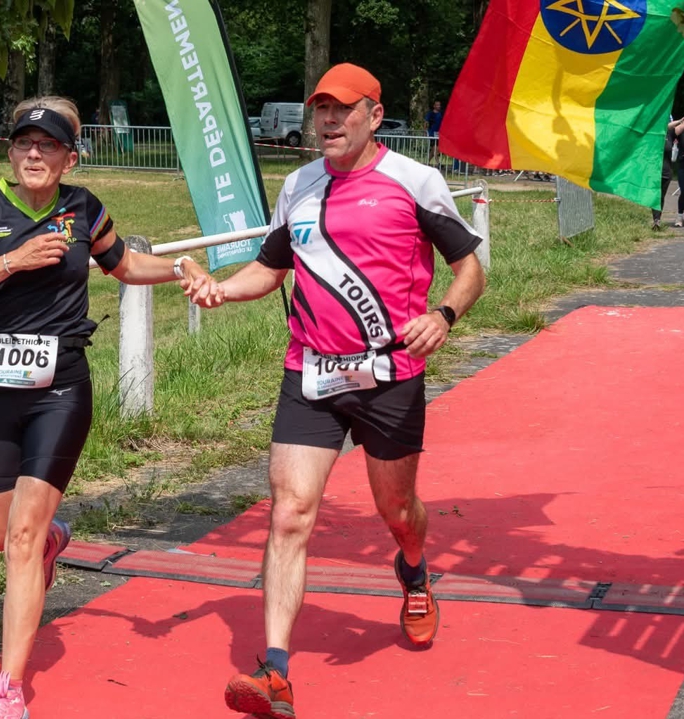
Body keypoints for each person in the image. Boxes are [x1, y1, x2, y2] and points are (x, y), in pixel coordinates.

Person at [192, 64, 486, 718]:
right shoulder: (298, 185)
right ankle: (275, 671)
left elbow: (470, 267)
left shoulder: (415, 181)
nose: (327, 120)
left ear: (374, 116)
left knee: (397, 510)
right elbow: (269, 270)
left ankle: (414, 568)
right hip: (312, 372)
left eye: (342, 109)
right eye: (320, 108)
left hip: (389, 376)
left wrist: (443, 315)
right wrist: (221, 290)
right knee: (289, 511)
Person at [0, 96, 216, 719]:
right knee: (1, 536)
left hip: (61, 385)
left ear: (69, 158)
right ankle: (53, 540)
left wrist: (179, 267)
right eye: (24, 143)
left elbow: (124, 263)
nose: (34, 153)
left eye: (48, 145)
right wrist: (12, 260)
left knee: (21, 538)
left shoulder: (84, 207)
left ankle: (8, 690)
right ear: (10, 152)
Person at [654, 116, 676, 230]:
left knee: (661, 196)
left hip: (666, 172)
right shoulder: (654, 132)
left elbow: (682, 126)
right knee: (655, 196)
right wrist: (680, 121)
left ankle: (657, 219)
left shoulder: (670, 135)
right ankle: (656, 219)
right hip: (654, 171)